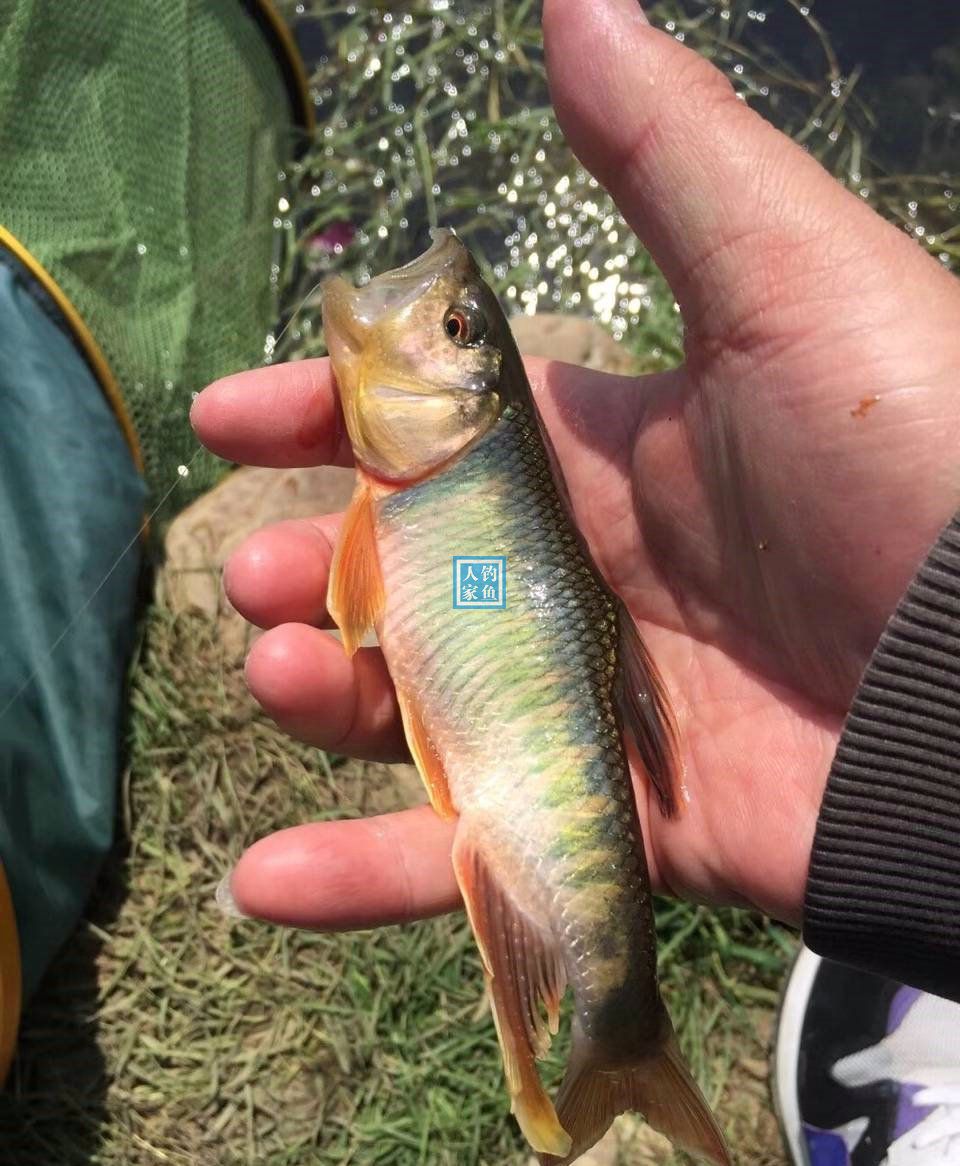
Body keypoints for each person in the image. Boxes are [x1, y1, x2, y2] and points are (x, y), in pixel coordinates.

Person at [191, 0, 960, 1161]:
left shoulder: (416, 488)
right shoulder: (414, 493)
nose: (424, 315)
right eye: (464, 323)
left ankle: (617, 1027)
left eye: (448, 325)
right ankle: (622, 1034)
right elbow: (416, 592)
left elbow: (397, 594)